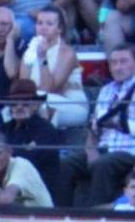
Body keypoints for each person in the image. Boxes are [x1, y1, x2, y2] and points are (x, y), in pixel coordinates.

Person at [56, 43, 135, 206]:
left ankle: (95, 218)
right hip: (102, 148)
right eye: (114, 63)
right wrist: (91, 151)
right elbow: (93, 128)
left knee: (103, 164)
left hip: (129, 151)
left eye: (123, 61)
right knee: (65, 164)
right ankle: (61, 216)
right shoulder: (106, 90)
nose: (118, 67)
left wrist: (118, 124)